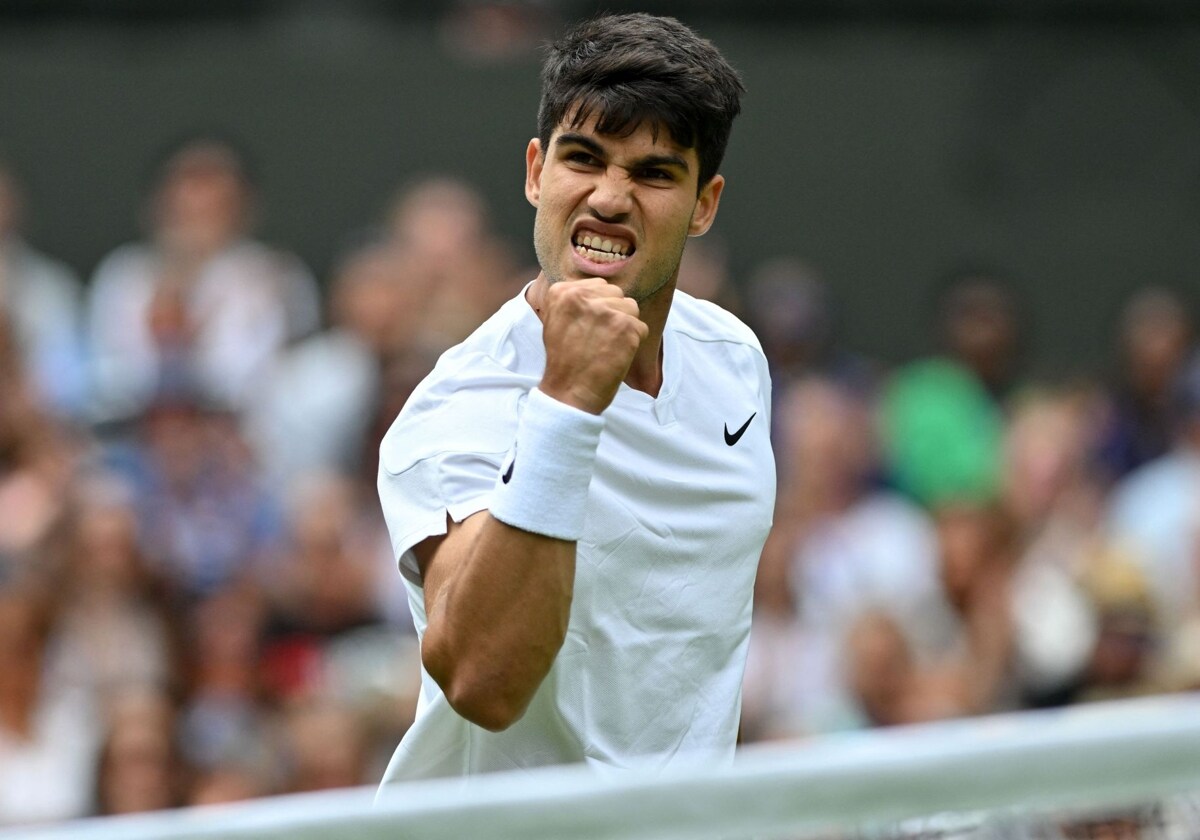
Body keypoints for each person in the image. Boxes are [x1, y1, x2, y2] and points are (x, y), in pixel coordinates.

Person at [376, 13, 774, 782]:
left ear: (704, 203)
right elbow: (483, 685)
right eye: (583, 158)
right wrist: (568, 400)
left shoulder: (736, 363)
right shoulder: (458, 408)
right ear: (535, 173)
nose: (609, 198)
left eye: (654, 173)